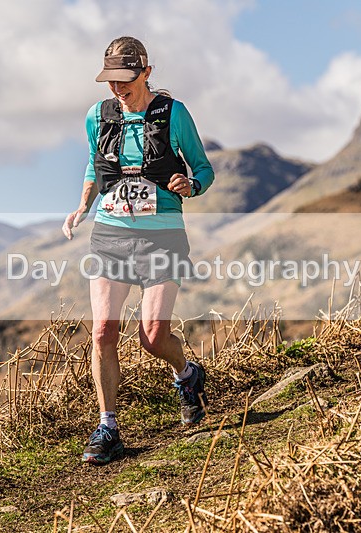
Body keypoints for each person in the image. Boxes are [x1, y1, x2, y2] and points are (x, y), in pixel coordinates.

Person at [62, 36, 215, 465]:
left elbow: (202, 167)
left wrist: (192, 184)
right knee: (103, 332)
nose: (116, 88)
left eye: (125, 80)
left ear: (146, 72)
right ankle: (107, 426)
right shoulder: (98, 115)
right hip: (110, 233)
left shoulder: (174, 114)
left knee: (152, 336)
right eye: (110, 81)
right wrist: (82, 205)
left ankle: (187, 375)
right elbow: (95, 164)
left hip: (162, 235)